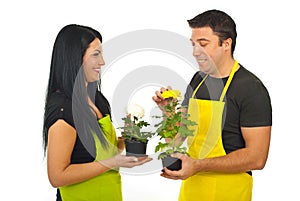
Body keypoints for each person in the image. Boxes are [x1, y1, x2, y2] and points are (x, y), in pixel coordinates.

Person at [152, 9, 272, 201]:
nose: (195, 52)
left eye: (203, 44)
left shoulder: (251, 89)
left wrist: (199, 165)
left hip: (229, 191)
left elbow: (257, 158)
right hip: (192, 189)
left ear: (226, 44)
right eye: (193, 44)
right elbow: (175, 140)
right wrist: (168, 111)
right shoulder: (198, 80)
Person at [42, 24, 152, 201]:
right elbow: (57, 176)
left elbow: (103, 152)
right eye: (95, 54)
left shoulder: (97, 99)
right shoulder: (63, 109)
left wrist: (130, 138)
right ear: (75, 58)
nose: (102, 62)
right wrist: (113, 163)